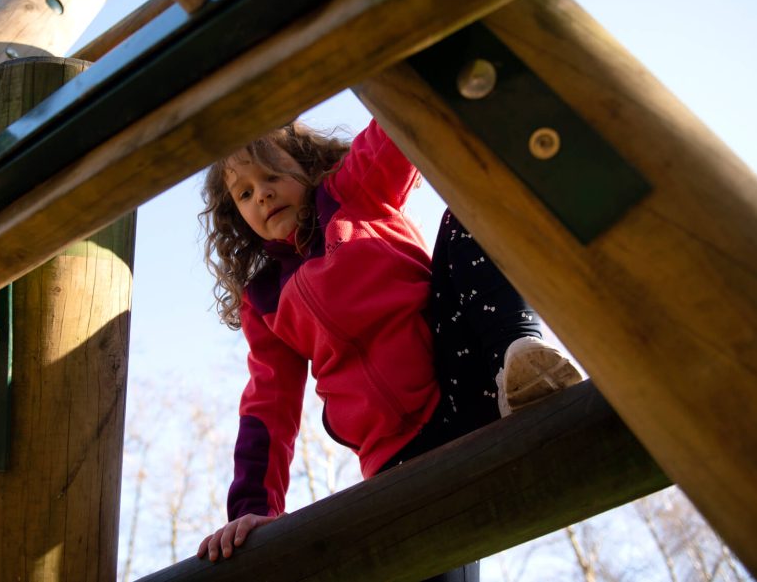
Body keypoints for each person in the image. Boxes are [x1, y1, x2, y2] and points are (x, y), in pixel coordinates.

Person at [195, 118, 581, 578]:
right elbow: (268, 406)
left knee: (466, 208)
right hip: (394, 455)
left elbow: (398, 130)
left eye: (273, 175)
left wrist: (392, 61)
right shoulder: (264, 300)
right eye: (244, 193)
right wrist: (252, 507)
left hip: (460, 384)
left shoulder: (353, 193)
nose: (261, 194)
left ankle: (521, 358)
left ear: (307, 167)